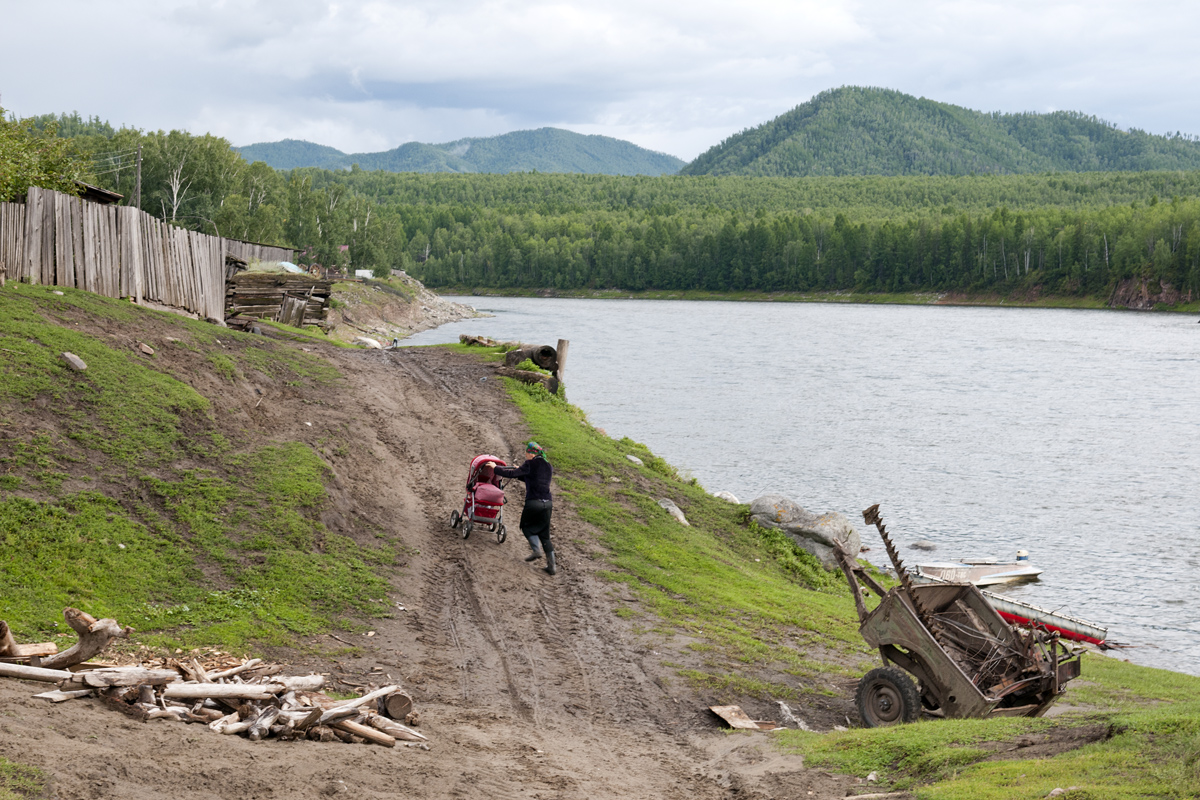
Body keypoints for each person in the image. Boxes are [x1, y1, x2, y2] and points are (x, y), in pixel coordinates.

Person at [488, 442, 556, 575]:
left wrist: (495, 468)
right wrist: (521, 471)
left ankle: (536, 550)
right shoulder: (548, 466)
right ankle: (551, 567)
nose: (526, 456)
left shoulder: (530, 464)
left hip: (534, 502)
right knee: (545, 535)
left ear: (531, 453)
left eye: (526, 454)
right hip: (547, 503)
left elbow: (512, 474)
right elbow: (532, 478)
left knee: (526, 526)